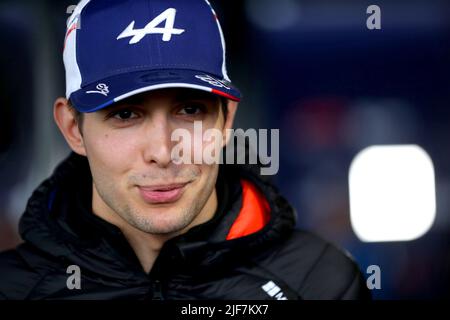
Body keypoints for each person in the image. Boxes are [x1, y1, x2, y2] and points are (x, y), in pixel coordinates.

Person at [0, 0, 370, 300]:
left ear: (226, 122)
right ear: (72, 129)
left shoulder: (319, 282)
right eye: (126, 114)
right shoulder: (12, 288)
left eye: (190, 110)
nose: (163, 151)